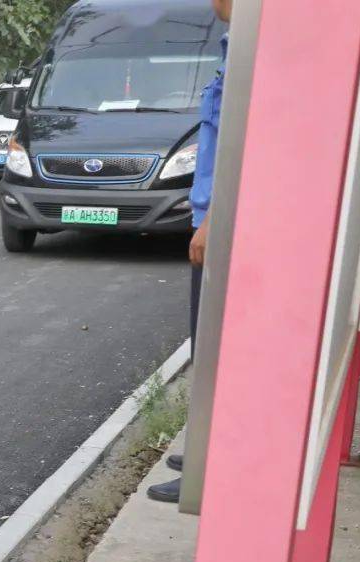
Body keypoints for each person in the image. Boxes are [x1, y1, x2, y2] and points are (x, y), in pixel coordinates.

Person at [148, 0, 232, 503]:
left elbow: (250, 146)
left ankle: (210, 466)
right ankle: (204, 447)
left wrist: (215, 220)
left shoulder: (258, 58)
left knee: (220, 352)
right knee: (206, 347)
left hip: (223, 225)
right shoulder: (232, 52)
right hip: (208, 218)